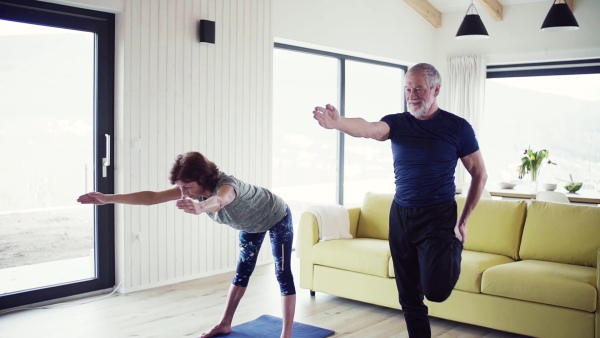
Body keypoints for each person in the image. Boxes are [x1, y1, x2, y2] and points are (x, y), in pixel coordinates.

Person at [312, 63, 487, 337]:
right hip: (402, 215)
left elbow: (480, 174)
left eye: (418, 88)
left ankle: (452, 247)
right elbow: (368, 128)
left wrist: (463, 221)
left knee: (436, 292)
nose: (412, 95)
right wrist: (338, 123)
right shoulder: (397, 123)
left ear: (436, 89)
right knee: (409, 297)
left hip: (438, 216)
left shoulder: (457, 128)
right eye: (408, 89)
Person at [77, 151, 296, 338]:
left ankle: (286, 335)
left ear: (202, 178)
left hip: (276, 216)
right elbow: (152, 197)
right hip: (250, 225)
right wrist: (108, 198)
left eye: (187, 187)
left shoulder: (227, 186)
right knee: (242, 272)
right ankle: (225, 323)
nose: (184, 193)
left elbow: (221, 200)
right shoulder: (194, 189)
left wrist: (200, 208)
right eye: (181, 188)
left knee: (282, 273)